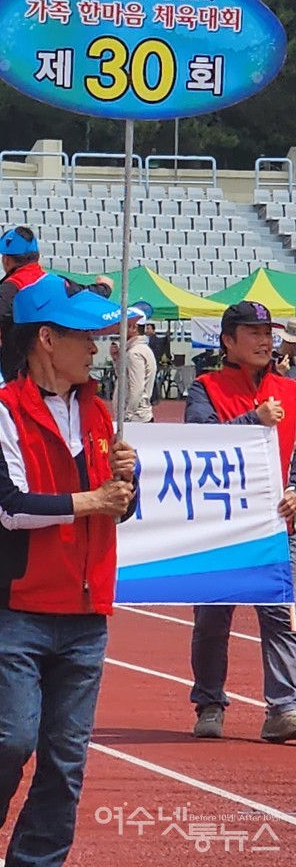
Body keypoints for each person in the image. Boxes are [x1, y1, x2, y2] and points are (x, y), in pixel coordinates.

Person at [0, 273, 136, 867]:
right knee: (11, 740)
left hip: (87, 610)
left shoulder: (101, 413)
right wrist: (95, 499)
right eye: (85, 336)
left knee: (66, 760)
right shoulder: (0, 411)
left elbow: (120, 507)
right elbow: (10, 506)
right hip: (20, 607)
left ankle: (36, 861)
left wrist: (127, 486)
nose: (97, 347)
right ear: (47, 340)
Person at [184, 300, 296, 744]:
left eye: (268, 332)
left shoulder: (290, 390)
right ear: (228, 341)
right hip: (221, 526)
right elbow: (197, 443)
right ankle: (209, 701)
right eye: (254, 333)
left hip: (276, 524)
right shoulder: (205, 388)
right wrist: (254, 419)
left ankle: (283, 707)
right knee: (212, 619)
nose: (265, 341)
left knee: (280, 615)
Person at [0, 227, 113, 388]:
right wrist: (104, 287)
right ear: (36, 256)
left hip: (22, 375)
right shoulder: (57, 283)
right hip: (52, 373)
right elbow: (87, 295)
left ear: (6, 260)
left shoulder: (14, 285)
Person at [108, 308, 157, 423]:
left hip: (136, 417)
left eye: (121, 325)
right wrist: (117, 360)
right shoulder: (141, 349)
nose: (118, 329)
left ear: (133, 327)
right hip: (139, 415)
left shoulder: (134, 353)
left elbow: (136, 388)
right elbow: (124, 377)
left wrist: (128, 415)